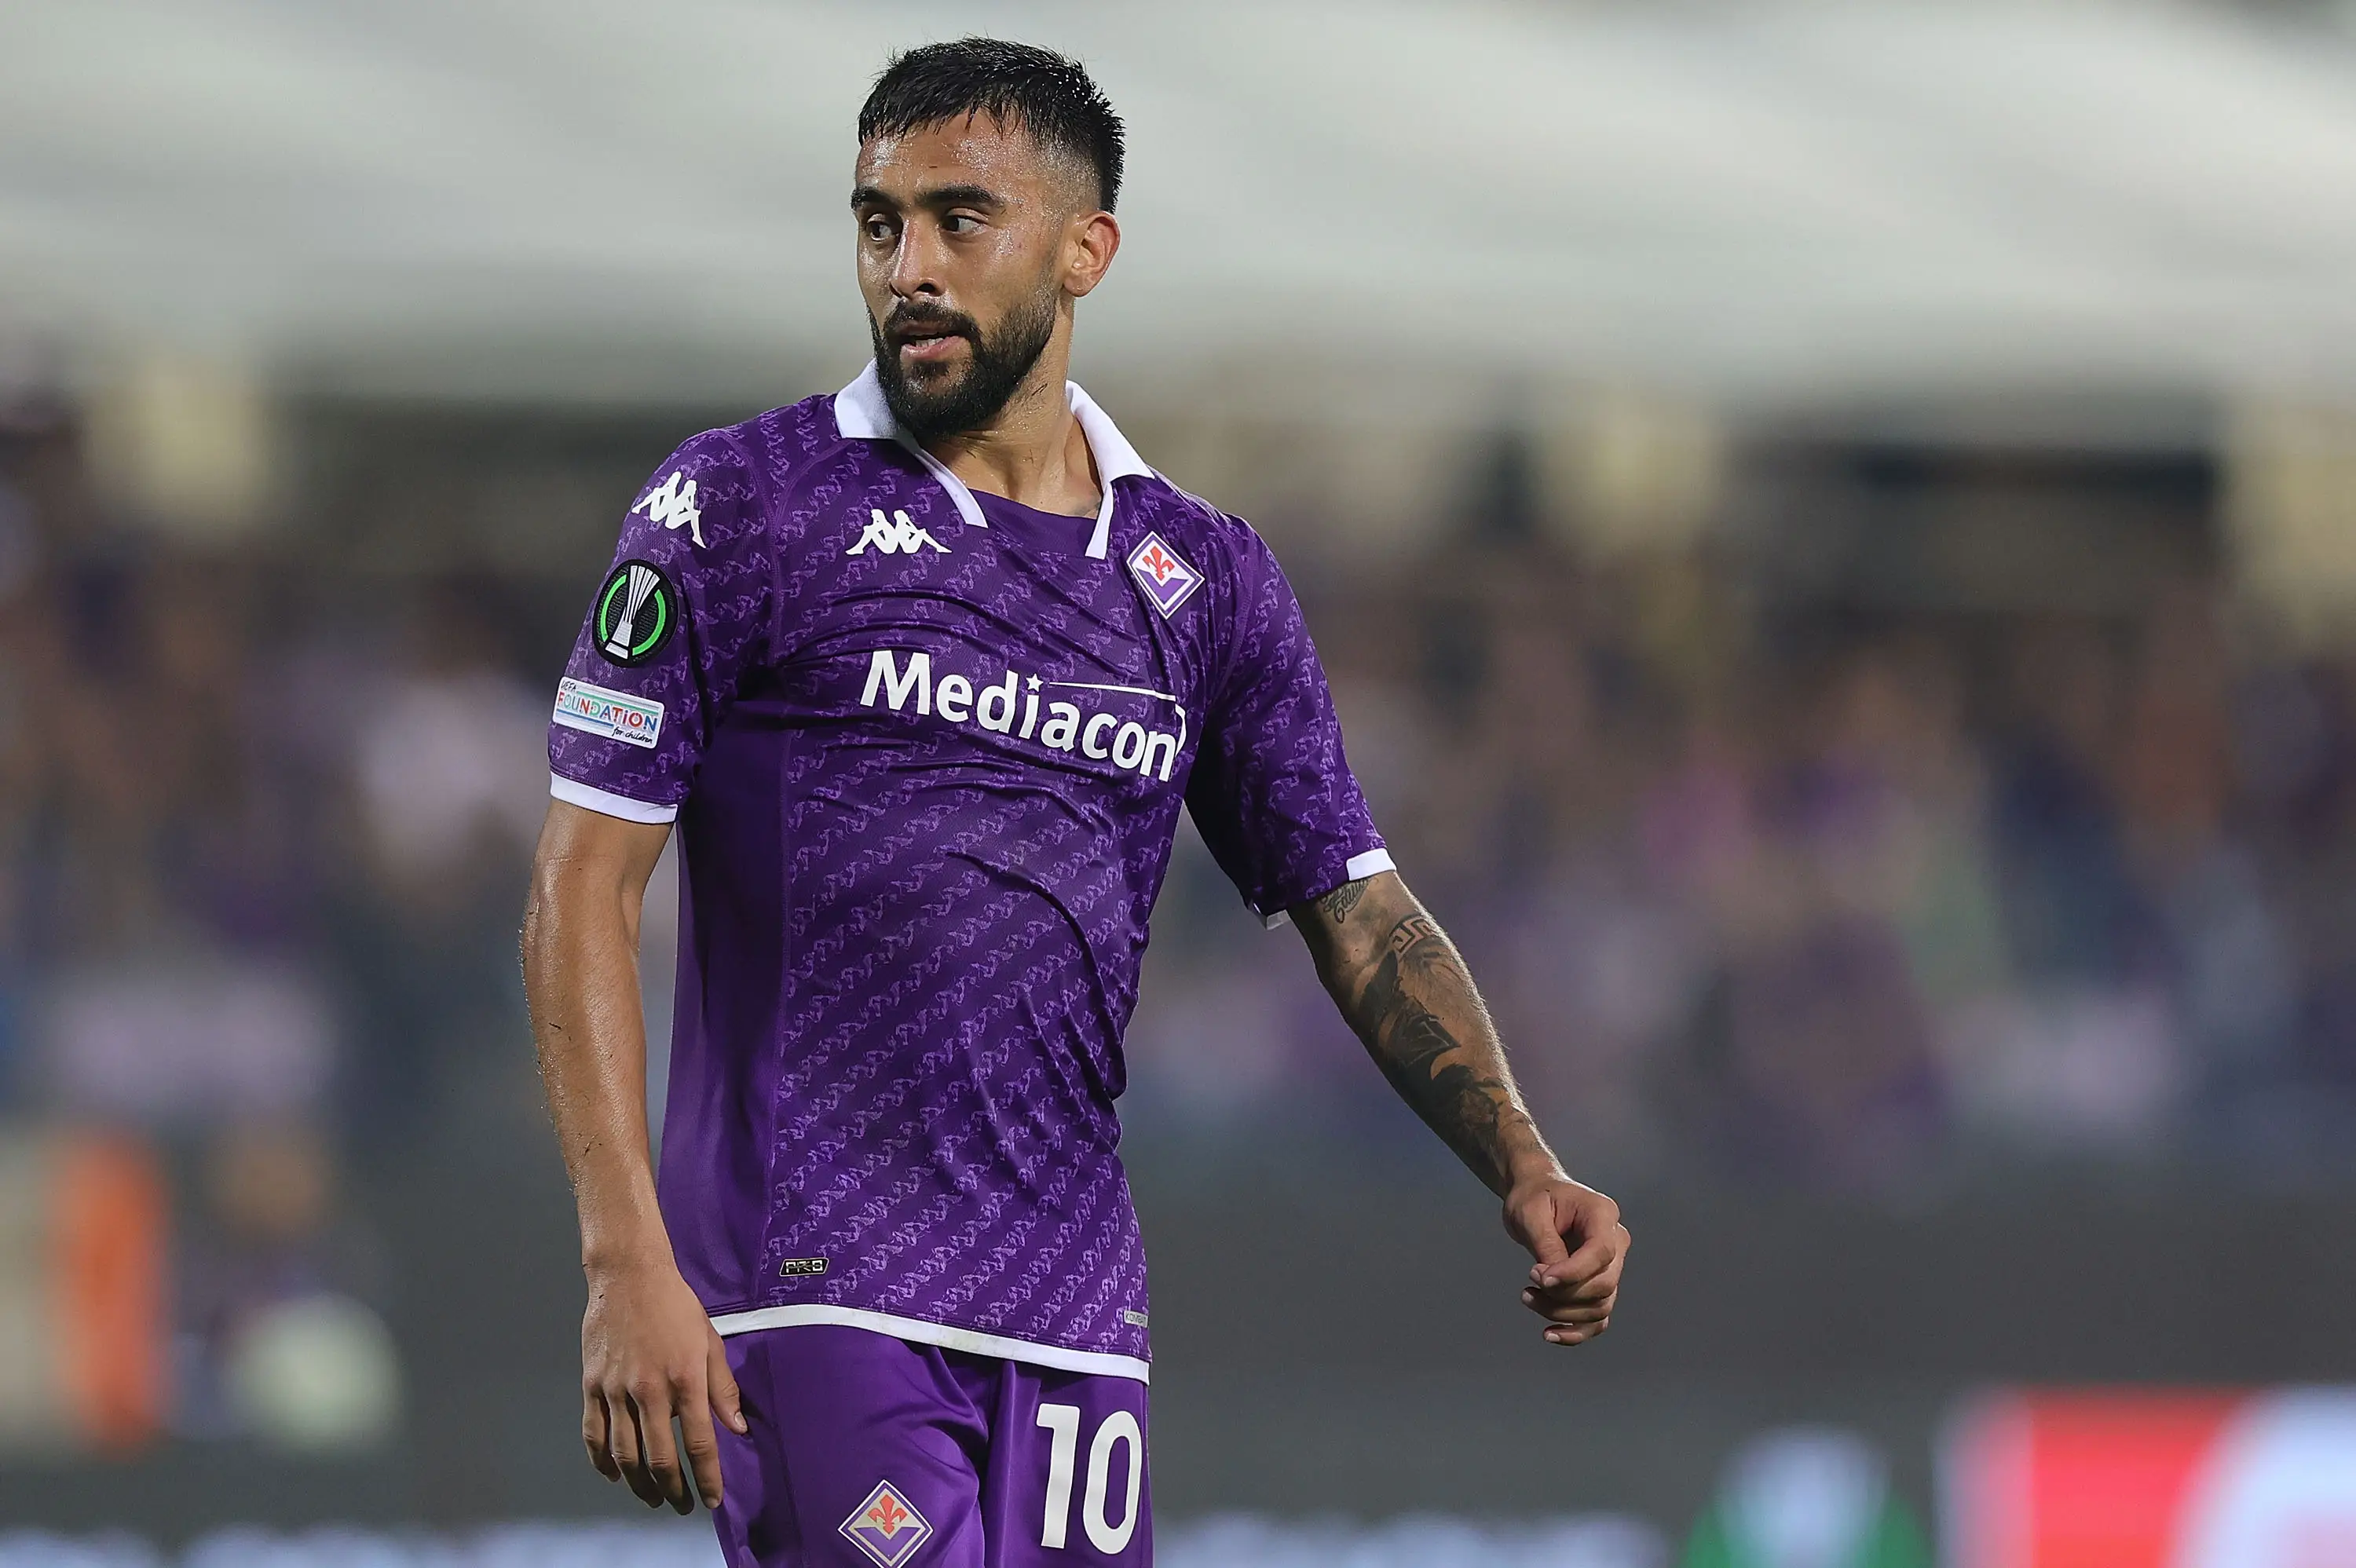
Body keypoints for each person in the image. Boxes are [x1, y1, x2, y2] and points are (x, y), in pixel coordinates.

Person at [521, 37, 1628, 1568]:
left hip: (1072, 1314)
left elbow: (1355, 904)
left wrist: (1521, 1154)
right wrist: (623, 1258)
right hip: (809, 1280)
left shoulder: (1203, 580)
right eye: (877, 223)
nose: (909, 266)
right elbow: (580, 882)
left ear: (1085, 249)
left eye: (959, 218)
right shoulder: (742, 509)